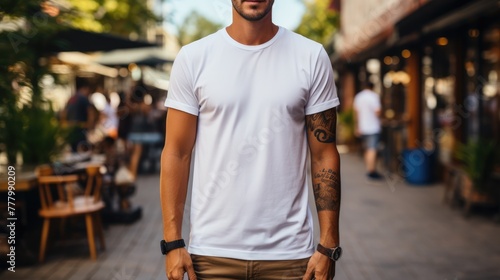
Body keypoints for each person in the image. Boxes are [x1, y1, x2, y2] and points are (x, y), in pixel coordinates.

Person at [160, 1, 342, 279]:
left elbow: (324, 154)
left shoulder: (311, 56)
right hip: (212, 253)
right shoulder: (194, 58)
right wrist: (173, 242)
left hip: (290, 256)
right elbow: (177, 152)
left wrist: (329, 244)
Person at [353, 81, 383, 179]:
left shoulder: (358, 97)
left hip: (362, 127)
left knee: (367, 149)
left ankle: (369, 169)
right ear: (372, 87)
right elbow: (377, 112)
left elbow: (356, 113)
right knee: (372, 149)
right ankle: (372, 171)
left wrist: (356, 127)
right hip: (373, 127)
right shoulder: (374, 96)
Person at [62, 80, 95, 152]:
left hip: (70, 129)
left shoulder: (71, 98)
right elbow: (91, 113)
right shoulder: (84, 98)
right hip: (81, 129)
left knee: (74, 150)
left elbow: (64, 113)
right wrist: (90, 127)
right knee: (82, 151)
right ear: (86, 88)